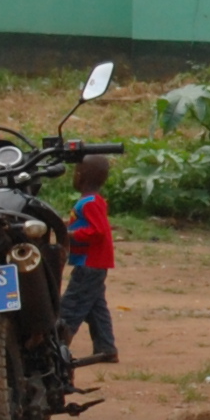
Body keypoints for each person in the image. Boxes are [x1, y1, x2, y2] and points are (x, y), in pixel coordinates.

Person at [58, 154, 119, 366]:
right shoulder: (89, 201)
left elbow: (98, 231)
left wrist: (70, 235)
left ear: (81, 175)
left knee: (71, 305)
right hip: (93, 263)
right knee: (95, 307)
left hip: (90, 263)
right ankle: (106, 348)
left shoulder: (91, 202)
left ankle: (57, 345)